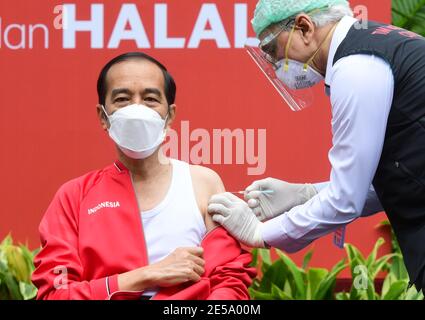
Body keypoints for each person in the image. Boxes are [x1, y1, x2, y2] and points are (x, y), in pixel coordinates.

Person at [208, 0, 425, 293]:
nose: (274, 64)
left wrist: (261, 232)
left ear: (304, 27)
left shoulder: (356, 65)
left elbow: (345, 199)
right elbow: (391, 179)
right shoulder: (377, 42)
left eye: (272, 48)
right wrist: (306, 194)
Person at [32, 52, 256, 300]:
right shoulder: (74, 196)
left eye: (150, 99)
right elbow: (56, 293)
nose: (136, 109)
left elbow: (229, 282)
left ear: (169, 116)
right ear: (102, 117)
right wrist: (146, 275)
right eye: (122, 99)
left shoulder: (203, 184)